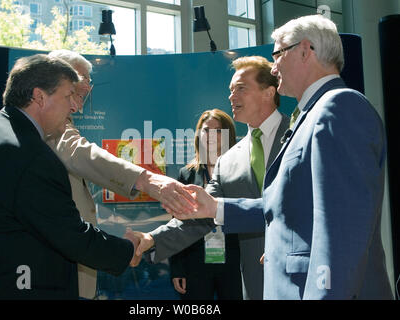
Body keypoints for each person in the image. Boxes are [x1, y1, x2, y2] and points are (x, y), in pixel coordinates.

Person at [169, 15, 394, 299]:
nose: (274, 68)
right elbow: (283, 206)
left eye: (278, 54)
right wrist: (215, 208)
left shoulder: (339, 107)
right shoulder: (310, 115)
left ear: (305, 50)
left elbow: (341, 232)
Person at [0, 54, 139, 299]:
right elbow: (70, 235)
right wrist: (126, 250)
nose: (74, 106)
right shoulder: (30, 156)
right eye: (68, 96)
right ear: (39, 97)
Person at [132, 56, 290, 300]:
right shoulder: (228, 160)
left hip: (302, 277)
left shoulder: (300, 134)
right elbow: (202, 213)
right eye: (230, 90)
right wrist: (152, 239)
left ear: (269, 93)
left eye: (240, 88)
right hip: (253, 284)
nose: (231, 97)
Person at [46, 50, 196, 299]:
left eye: (83, 96)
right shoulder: (50, 126)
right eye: (75, 94)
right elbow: (80, 153)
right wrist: (147, 180)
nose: (78, 106)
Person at [169, 108, 241, 300]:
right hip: (195, 263)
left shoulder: (241, 172)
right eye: (206, 129)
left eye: (218, 131)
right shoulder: (186, 175)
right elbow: (177, 223)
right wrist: (177, 268)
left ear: (228, 136)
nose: (211, 135)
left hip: (234, 262)